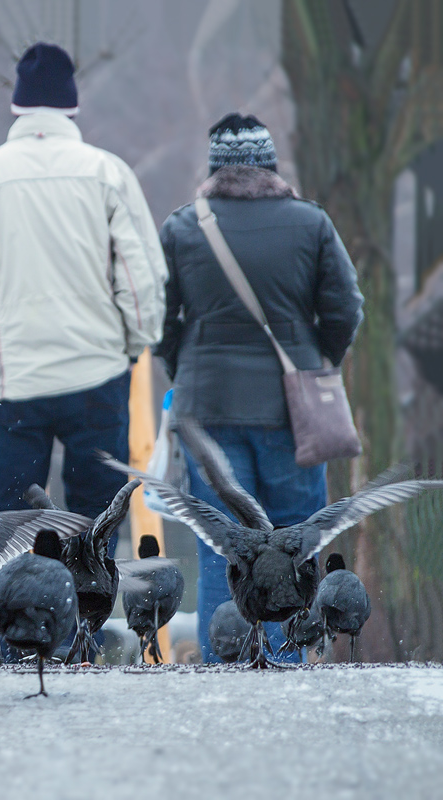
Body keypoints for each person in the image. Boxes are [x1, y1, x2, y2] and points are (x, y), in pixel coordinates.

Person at [0, 42, 167, 529]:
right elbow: (142, 280)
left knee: (9, 535)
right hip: (97, 378)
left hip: (13, 386)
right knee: (97, 528)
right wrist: (136, 342)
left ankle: (18, 605)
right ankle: (86, 604)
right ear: (72, 107)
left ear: (16, 107)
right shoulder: (108, 174)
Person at [154, 113, 364, 663]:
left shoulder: (181, 227)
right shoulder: (310, 223)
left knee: (225, 549)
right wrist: (315, 366)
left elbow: (157, 318)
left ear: (215, 168)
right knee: (294, 545)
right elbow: (345, 308)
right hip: (293, 416)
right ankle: (288, 663)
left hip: (208, 411)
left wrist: (186, 369)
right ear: (270, 165)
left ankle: (226, 664)